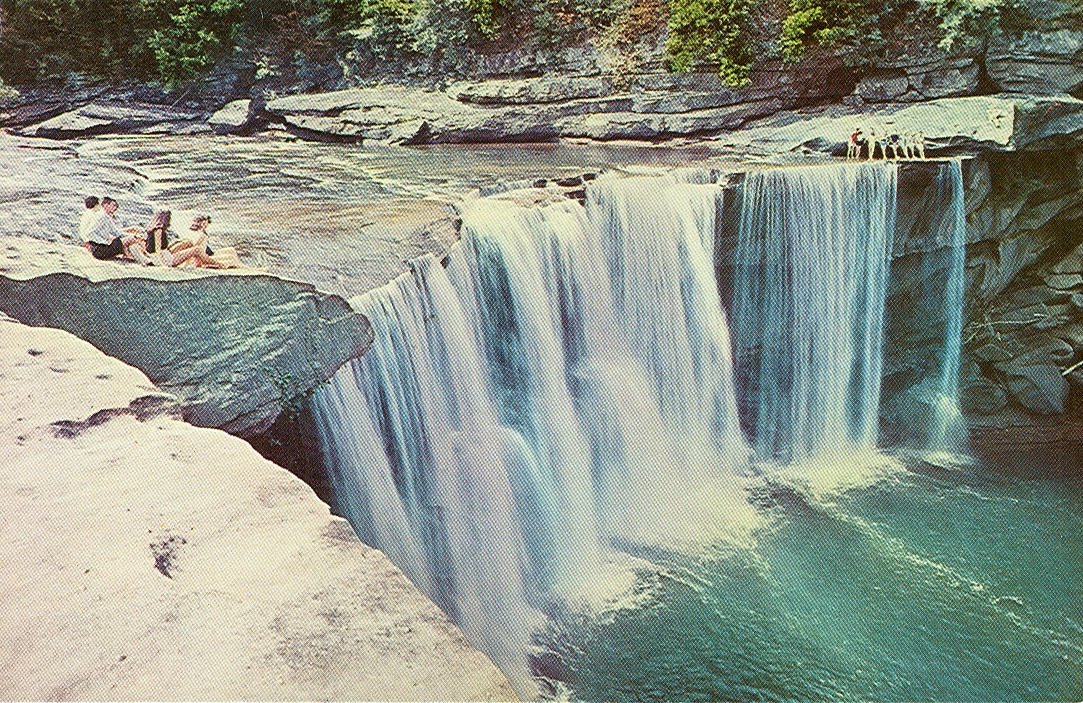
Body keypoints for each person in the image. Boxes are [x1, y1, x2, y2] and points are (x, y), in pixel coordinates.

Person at [82, 196, 146, 261]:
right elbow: (90, 233)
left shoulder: (100, 215)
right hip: (101, 251)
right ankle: (142, 255)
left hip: (97, 250)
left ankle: (129, 256)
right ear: (106, 205)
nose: (116, 208)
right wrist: (104, 242)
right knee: (133, 238)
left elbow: (114, 232)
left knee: (124, 239)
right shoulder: (104, 216)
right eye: (113, 205)